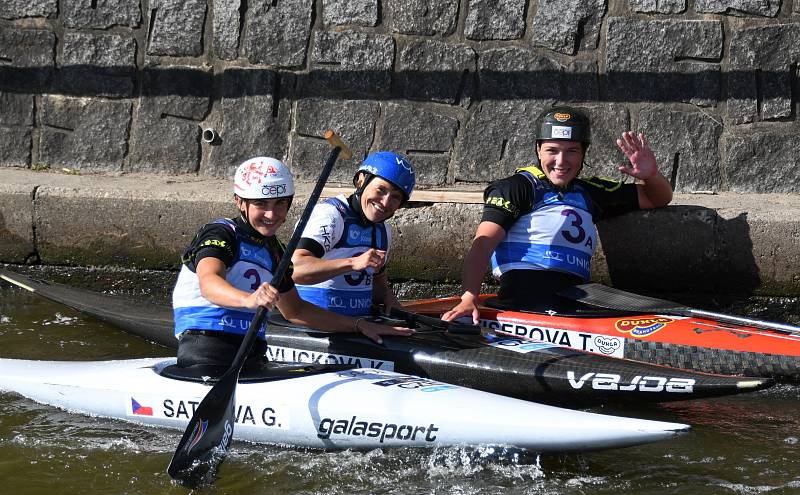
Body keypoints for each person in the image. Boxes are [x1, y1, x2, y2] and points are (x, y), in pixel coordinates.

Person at [172, 156, 412, 369]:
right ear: (239, 202)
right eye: (261, 204)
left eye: (280, 205)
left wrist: (358, 325)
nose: (272, 215)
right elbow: (209, 281)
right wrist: (249, 299)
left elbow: (296, 311)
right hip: (205, 348)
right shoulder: (220, 233)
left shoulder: (276, 251)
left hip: (253, 352)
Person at [442, 106, 673, 323]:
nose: (561, 161)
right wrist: (469, 297)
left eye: (571, 151)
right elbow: (482, 244)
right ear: (538, 150)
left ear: (583, 154)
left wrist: (651, 175)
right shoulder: (516, 188)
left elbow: (657, 198)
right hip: (524, 297)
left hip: (578, 298)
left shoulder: (591, 192)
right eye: (552, 150)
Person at [291, 151, 415, 317]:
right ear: (361, 181)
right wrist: (352, 263)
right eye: (381, 190)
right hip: (313, 324)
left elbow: (378, 282)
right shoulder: (331, 216)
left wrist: (388, 297)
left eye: (395, 197)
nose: (385, 202)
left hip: (357, 326)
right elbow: (296, 271)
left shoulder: (383, 230)